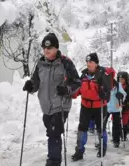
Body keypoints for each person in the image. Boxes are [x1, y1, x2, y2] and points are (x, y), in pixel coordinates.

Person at [23, 33, 81, 166]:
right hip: (46, 106)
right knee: (51, 133)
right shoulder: (40, 63)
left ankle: (53, 162)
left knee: (55, 133)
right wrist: (30, 86)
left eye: (49, 48)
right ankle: (52, 158)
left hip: (60, 105)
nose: (46, 50)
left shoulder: (65, 63)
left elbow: (77, 83)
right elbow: (36, 82)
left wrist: (67, 90)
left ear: (56, 48)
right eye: (44, 48)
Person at [71, 53, 112, 161]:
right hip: (86, 106)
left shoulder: (103, 74)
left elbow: (108, 92)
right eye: (87, 62)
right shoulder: (84, 75)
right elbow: (79, 88)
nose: (88, 64)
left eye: (91, 62)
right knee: (82, 128)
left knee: (100, 128)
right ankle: (79, 150)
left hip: (99, 106)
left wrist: (105, 94)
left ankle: (102, 148)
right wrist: (71, 93)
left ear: (96, 63)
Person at [105, 76, 127, 148]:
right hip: (106, 106)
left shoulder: (118, 85)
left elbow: (124, 94)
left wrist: (121, 96)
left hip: (116, 107)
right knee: (102, 123)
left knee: (116, 125)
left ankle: (116, 141)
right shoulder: (104, 83)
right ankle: (102, 140)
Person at [117, 71, 129, 142]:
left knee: (124, 121)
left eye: (122, 79)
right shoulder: (116, 86)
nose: (121, 80)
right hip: (117, 107)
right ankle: (117, 135)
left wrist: (127, 105)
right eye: (119, 79)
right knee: (116, 122)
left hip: (125, 107)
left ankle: (124, 135)